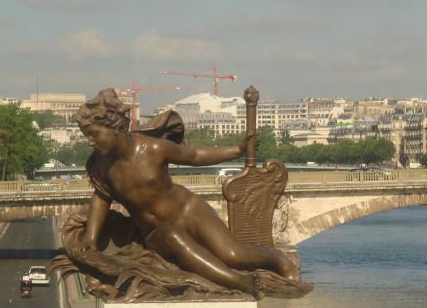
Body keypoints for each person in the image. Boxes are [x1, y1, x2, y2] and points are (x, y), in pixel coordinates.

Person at [73, 88, 300, 297]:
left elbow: (195, 156)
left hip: (190, 210)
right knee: (173, 236)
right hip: (157, 233)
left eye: (94, 134)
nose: (91, 142)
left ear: (115, 128)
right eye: (87, 136)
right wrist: (90, 239)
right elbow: (101, 198)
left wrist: (237, 150)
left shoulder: (153, 148)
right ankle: (238, 281)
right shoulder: (101, 166)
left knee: (233, 254)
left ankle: (278, 259)